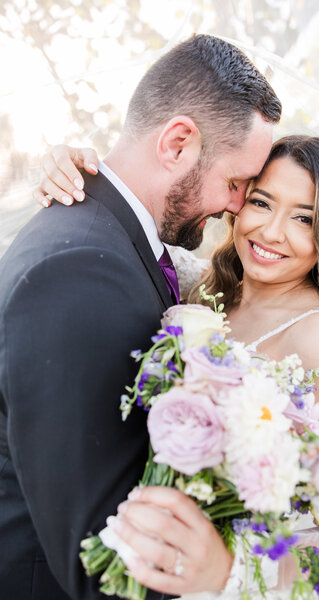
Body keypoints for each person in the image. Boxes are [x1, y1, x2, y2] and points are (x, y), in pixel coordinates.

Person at [34, 135, 319, 598]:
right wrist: (77, 167)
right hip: (137, 556)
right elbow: (127, 222)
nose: (272, 232)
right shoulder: (204, 287)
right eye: (262, 203)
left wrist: (229, 568)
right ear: (237, 202)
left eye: (305, 218)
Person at [0, 34, 282, 600]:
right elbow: (100, 560)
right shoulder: (79, 268)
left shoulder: (116, 240)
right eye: (234, 184)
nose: (236, 207)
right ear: (177, 143)